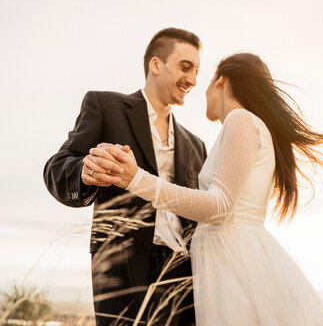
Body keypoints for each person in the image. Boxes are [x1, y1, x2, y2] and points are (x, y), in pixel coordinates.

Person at [95, 53, 323, 325]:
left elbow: (219, 207)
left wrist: (135, 178)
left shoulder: (241, 119)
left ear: (221, 82)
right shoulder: (249, 124)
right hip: (234, 257)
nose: (204, 89)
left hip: (232, 262)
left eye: (209, 80)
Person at [43, 27, 207, 325]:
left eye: (197, 71)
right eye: (186, 67)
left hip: (184, 278)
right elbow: (57, 166)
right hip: (122, 272)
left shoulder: (197, 145)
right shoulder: (105, 106)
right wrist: (84, 172)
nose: (193, 80)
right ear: (156, 65)